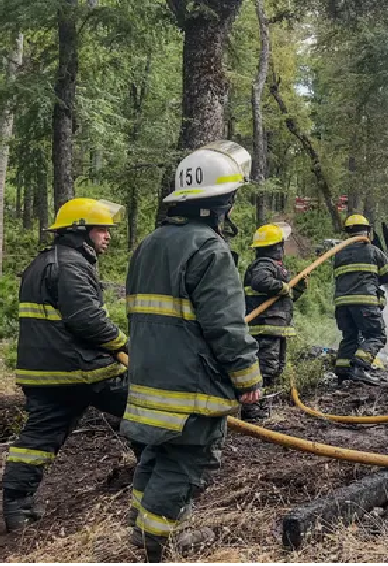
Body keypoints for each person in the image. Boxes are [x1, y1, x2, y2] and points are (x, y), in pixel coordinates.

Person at [122, 141, 261, 561]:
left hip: (150, 382)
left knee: (156, 453)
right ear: (220, 202)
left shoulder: (148, 244)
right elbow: (225, 325)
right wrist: (248, 378)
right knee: (187, 461)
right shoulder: (209, 249)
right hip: (190, 386)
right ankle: (156, 542)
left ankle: (142, 527)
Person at [1, 197, 136, 533]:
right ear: (80, 230)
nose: (108, 236)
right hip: (81, 369)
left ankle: (16, 507)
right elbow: (86, 318)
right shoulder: (72, 264)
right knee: (142, 406)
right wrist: (123, 345)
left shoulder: (45, 261)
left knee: (37, 440)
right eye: (101, 229)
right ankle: (158, 474)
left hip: (46, 373)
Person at [241, 224, 306, 422]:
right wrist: (283, 286)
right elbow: (262, 282)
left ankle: (258, 404)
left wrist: (298, 288)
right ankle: (250, 408)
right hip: (265, 328)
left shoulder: (274, 267)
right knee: (265, 368)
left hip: (276, 327)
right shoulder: (263, 265)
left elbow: (283, 299)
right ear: (276, 247)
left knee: (275, 369)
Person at [332, 214, 388, 383]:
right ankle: (360, 368)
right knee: (377, 335)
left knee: (350, 336)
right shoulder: (373, 251)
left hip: (342, 304)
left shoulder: (338, 254)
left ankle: (343, 370)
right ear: (367, 231)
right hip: (365, 302)